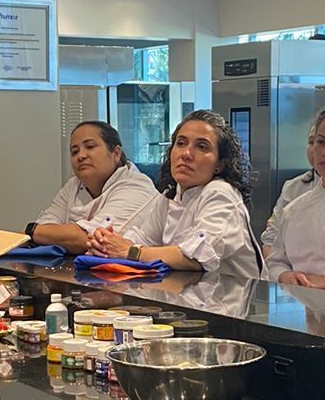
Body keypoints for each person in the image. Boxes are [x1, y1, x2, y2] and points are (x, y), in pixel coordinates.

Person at [86, 111, 263, 279]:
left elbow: (196, 258)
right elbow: (143, 239)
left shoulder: (221, 193)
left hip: (231, 307)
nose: (186, 154)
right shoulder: (170, 195)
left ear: (220, 164)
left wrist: (130, 251)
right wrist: (106, 243)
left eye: (202, 147)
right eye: (181, 143)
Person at [263, 99, 325, 287]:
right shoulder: (294, 208)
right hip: (300, 306)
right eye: (320, 142)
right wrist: (286, 276)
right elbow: (275, 262)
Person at [29, 121, 156, 252]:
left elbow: (95, 241)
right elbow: (43, 226)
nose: (81, 156)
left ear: (116, 154)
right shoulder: (73, 184)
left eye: (90, 147)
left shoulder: (136, 186)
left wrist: (34, 231)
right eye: (74, 151)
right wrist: (39, 232)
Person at [261, 134, 317, 252]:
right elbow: (270, 239)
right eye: (312, 142)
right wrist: (279, 270)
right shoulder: (293, 187)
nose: (318, 149)